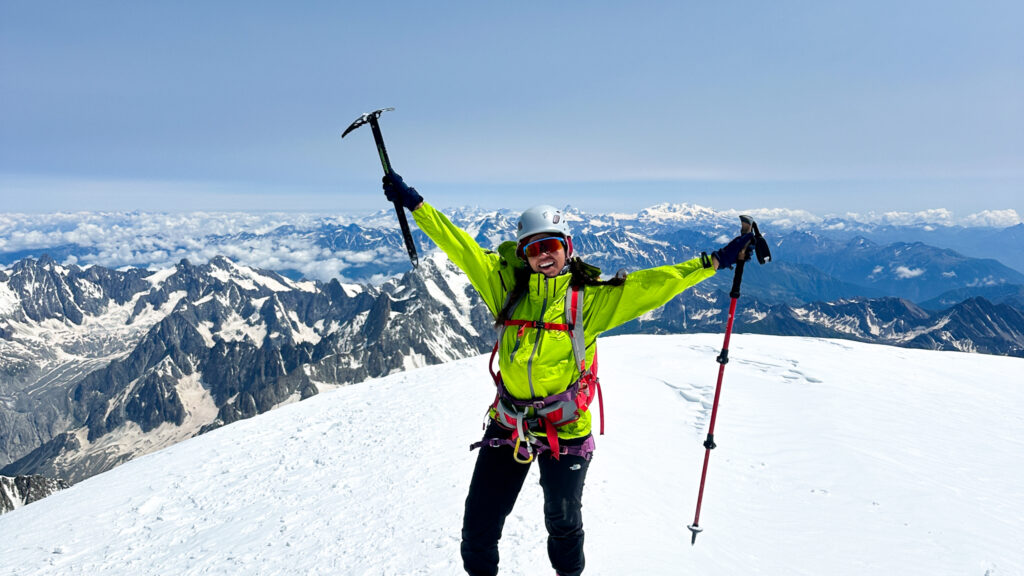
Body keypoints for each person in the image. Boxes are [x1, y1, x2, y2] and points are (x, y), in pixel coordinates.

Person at [382, 172, 752, 576]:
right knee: (478, 525)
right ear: (522, 253)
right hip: (510, 425)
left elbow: (655, 285)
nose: (543, 255)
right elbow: (461, 247)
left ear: (567, 248)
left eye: (551, 246)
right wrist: (415, 204)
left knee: (562, 521)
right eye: (534, 248)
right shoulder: (503, 287)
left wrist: (715, 261)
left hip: (566, 427)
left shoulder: (588, 301)